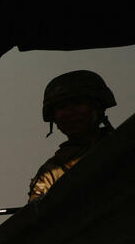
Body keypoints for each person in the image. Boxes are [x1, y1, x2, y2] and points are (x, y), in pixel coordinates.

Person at [27, 70, 116, 203]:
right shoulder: (50, 174)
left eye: (78, 103)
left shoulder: (122, 145)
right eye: (62, 107)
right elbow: (35, 215)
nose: (70, 112)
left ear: (97, 106)